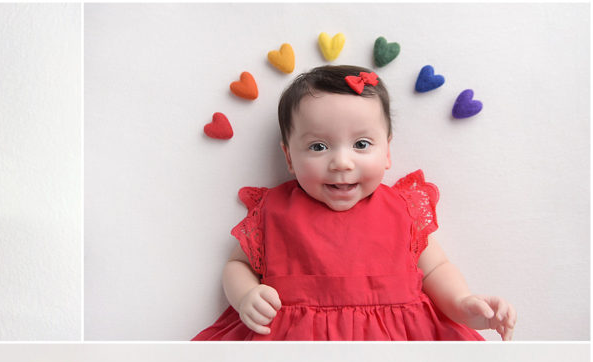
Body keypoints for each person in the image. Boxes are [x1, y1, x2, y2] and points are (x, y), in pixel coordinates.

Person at [193, 65, 515, 341]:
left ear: (387, 152)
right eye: (318, 146)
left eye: (361, 144)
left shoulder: (402, 210)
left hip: (398, 346)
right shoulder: (274, 211)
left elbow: (435, 269)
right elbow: (238, 265)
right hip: (294, 347)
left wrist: (463, 304)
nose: (342, 162)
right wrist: (246, 295)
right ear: (289, 157)